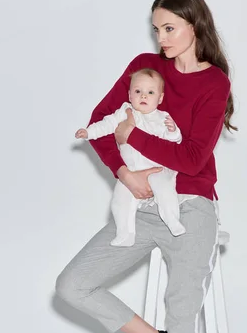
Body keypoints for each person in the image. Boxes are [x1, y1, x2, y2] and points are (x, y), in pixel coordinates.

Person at [56, 0, 236, 333]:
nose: (162, 39)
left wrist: (131, 134)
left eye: (170, 28)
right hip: (139, 205)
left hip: (191, 206)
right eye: (157, 30)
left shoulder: (214, 83)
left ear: (195, 25)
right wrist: (124, 173)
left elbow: (192, 159)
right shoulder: (146, 67)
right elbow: (100, 125)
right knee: (72, 285)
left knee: (181, 305)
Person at [75, 68, 186, 247]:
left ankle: (172, 220)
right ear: (129, 95)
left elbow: (175, 141)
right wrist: (89, 132)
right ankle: (125, 233)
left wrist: (173, 132)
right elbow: (106, 124)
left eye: (150, 92)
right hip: (132, 172)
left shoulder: (163, 117)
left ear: (160, 98)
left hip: (157, 169)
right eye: (138, 91)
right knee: (120, 200)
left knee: (165, 190)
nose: (143, 96)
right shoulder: (124, 112)